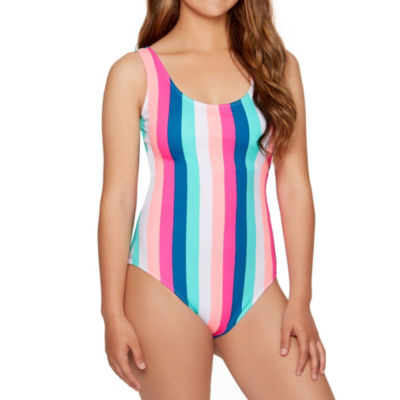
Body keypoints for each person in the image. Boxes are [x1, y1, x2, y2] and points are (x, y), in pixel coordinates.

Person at [98, 0, 335, 398]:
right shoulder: (135, 73)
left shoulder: (277, 69)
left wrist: (301, 299)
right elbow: (118, 198)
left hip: (254, 291)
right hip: (162, 286)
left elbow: (294, 186)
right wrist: (111, 312)